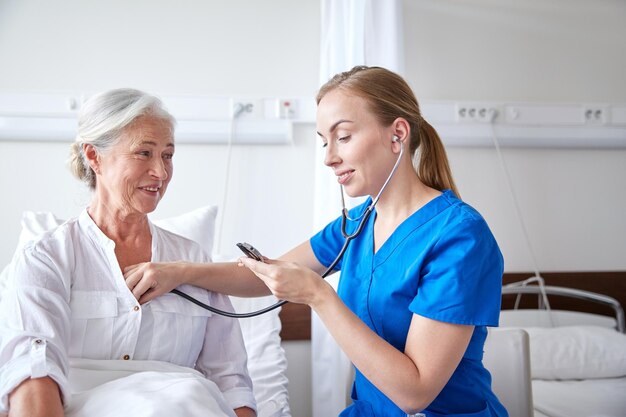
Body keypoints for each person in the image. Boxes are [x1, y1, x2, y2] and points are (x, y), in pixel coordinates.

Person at [125, 66, 507, 417]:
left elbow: (415, 392)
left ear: (398, 134)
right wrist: (179, 271)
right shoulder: (356, 225)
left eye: (343, 136)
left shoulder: (460, 237)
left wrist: (320, 296)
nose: (329, 157)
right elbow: (266, 277)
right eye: (325, 141)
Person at [0, 89, 256, 417]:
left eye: (167, 155)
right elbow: (33, 371)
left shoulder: (193, 261)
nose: (161, 173)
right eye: (144, 153)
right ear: (94, 156)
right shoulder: (46, 258)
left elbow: (230, 379)